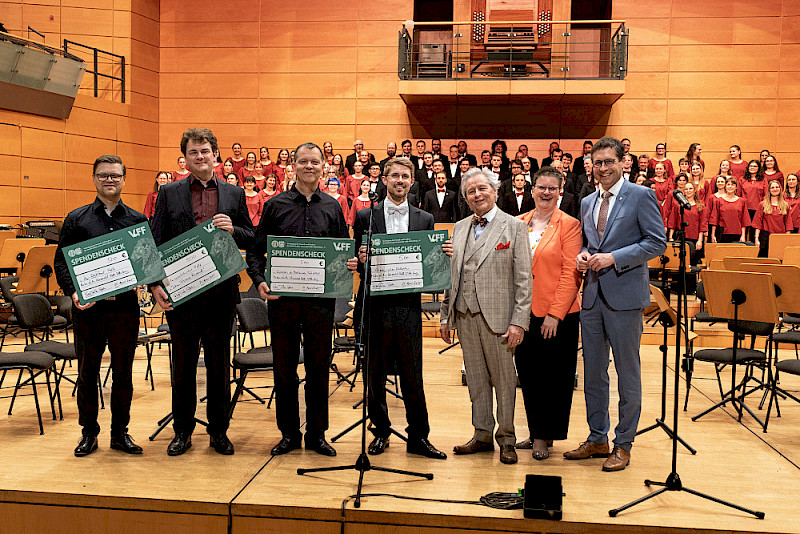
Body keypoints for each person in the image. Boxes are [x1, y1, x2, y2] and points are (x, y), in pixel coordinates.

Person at [150, 128, 254, 457]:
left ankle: (218, 431)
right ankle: (182, 431)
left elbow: (251, 235)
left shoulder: (234, 194)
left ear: (215, 155)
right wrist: (154, 285)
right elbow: (155, 240)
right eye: (193, 152)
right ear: (185, 158)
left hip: (221, 294)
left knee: (219, 366)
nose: (200, 156)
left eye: (205, 150)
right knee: (182, 366)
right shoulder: (169, 192)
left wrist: (233, 229)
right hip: (182, 294)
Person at [567, 137, 666, 472]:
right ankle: (598, 438)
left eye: (609, 161)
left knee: (627, 373)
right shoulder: (587, 201)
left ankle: (624, 443)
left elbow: (656, 242)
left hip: (625, 297)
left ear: (624, 162)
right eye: (598, 163)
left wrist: (614, 258)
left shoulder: (641, 195)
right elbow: (588, 243)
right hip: (592, 296)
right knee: (593, 373)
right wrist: (583, 255)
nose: (603, 168)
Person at [247, 142, 349, 457]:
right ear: (293, 167)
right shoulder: (274, 206)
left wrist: (349, 264)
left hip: (320, 303)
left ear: (323, 167)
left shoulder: (332, 207)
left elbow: (342, 252)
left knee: (319, 369)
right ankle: (289, 434)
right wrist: (260, 281)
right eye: (303, 161)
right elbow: (255, 251)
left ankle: (317, 434)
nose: (309, 166)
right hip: (283, 302)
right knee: (284, 370)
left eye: (314, 162)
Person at [347, 156, 447, 460]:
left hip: (408, 306)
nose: (400, 181)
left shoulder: (424, 219)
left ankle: (418, 436)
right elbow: (358, 262)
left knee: (412, 372)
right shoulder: (365, 216)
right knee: (374, 374)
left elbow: (430, 264)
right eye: (394, 176)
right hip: (374, 304)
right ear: (384, 180)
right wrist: (360, 259)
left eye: (405, 176)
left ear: (412, 181)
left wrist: (442, 255)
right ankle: (380, 431)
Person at [54, 155, 147, 457]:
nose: (110, 180)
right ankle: (88, 433)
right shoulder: (76, 219)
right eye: (104, 175)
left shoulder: (137, 221)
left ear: (124, 179)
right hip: (89, 311)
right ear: (94, 178)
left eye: (115, 175)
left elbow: (145, 261)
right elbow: (61, 262)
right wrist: (73, 292)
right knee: (87, 373)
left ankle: (120, 433)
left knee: (123, 374)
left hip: (124, 310)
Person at [439, 168, 533, 465]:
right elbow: (452, 275)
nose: (477, 194)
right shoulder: (459, 227)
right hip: (465, 315)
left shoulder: (514, 227)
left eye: (482, 188)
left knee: (504, 382)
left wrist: (519, 322)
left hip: (500, 319)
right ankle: (481, 434)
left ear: (495, 191)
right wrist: (445, 315)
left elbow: (524, 280)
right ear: (465, 198)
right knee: (476, 380)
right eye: (471, 191)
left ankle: (507, 438)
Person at [514, 167, 582, 460]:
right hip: (523, 313)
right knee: (529, 376)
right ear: (532, 190)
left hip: (557, 315)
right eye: (541, 187)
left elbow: (571, 273)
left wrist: (555, 314)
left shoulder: (570, 225)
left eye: (552, 188)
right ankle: (535, 431)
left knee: (554, 379)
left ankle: (544, 437)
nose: (546, 192)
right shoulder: (518, 222)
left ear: (560, 193)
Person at [667, 182, 706, 266]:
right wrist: (670, 237)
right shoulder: (678, 205)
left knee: (693, 263)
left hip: (695, 238)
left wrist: (700, 240)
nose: (688, 191)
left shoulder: (700, 206)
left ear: (695, 190)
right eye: (686, 189)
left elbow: (702, 224)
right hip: (681, 237)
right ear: (683, 191)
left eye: (690, 188)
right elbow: (672, 221)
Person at [754, 180, 793, 257]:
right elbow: (758, 223)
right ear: (769, 190)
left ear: (780, 189)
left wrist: (787, 239)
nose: (775, 189)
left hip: (780, 237)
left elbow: (788, 224)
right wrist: (756, 239)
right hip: (766, 237)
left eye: (777, 187)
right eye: (772, 187)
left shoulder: (786, 205)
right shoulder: (762, 204)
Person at [710, 177, 750, 243]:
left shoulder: (742, 201)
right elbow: (715, 218)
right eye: (728, 184)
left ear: (736, 187)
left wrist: (743, 235)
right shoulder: (718, 201)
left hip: (737, 233)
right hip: (721, 233)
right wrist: (713, 235)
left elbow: (744, 220)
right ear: (725, 187)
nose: (730, 187)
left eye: (732, 185)